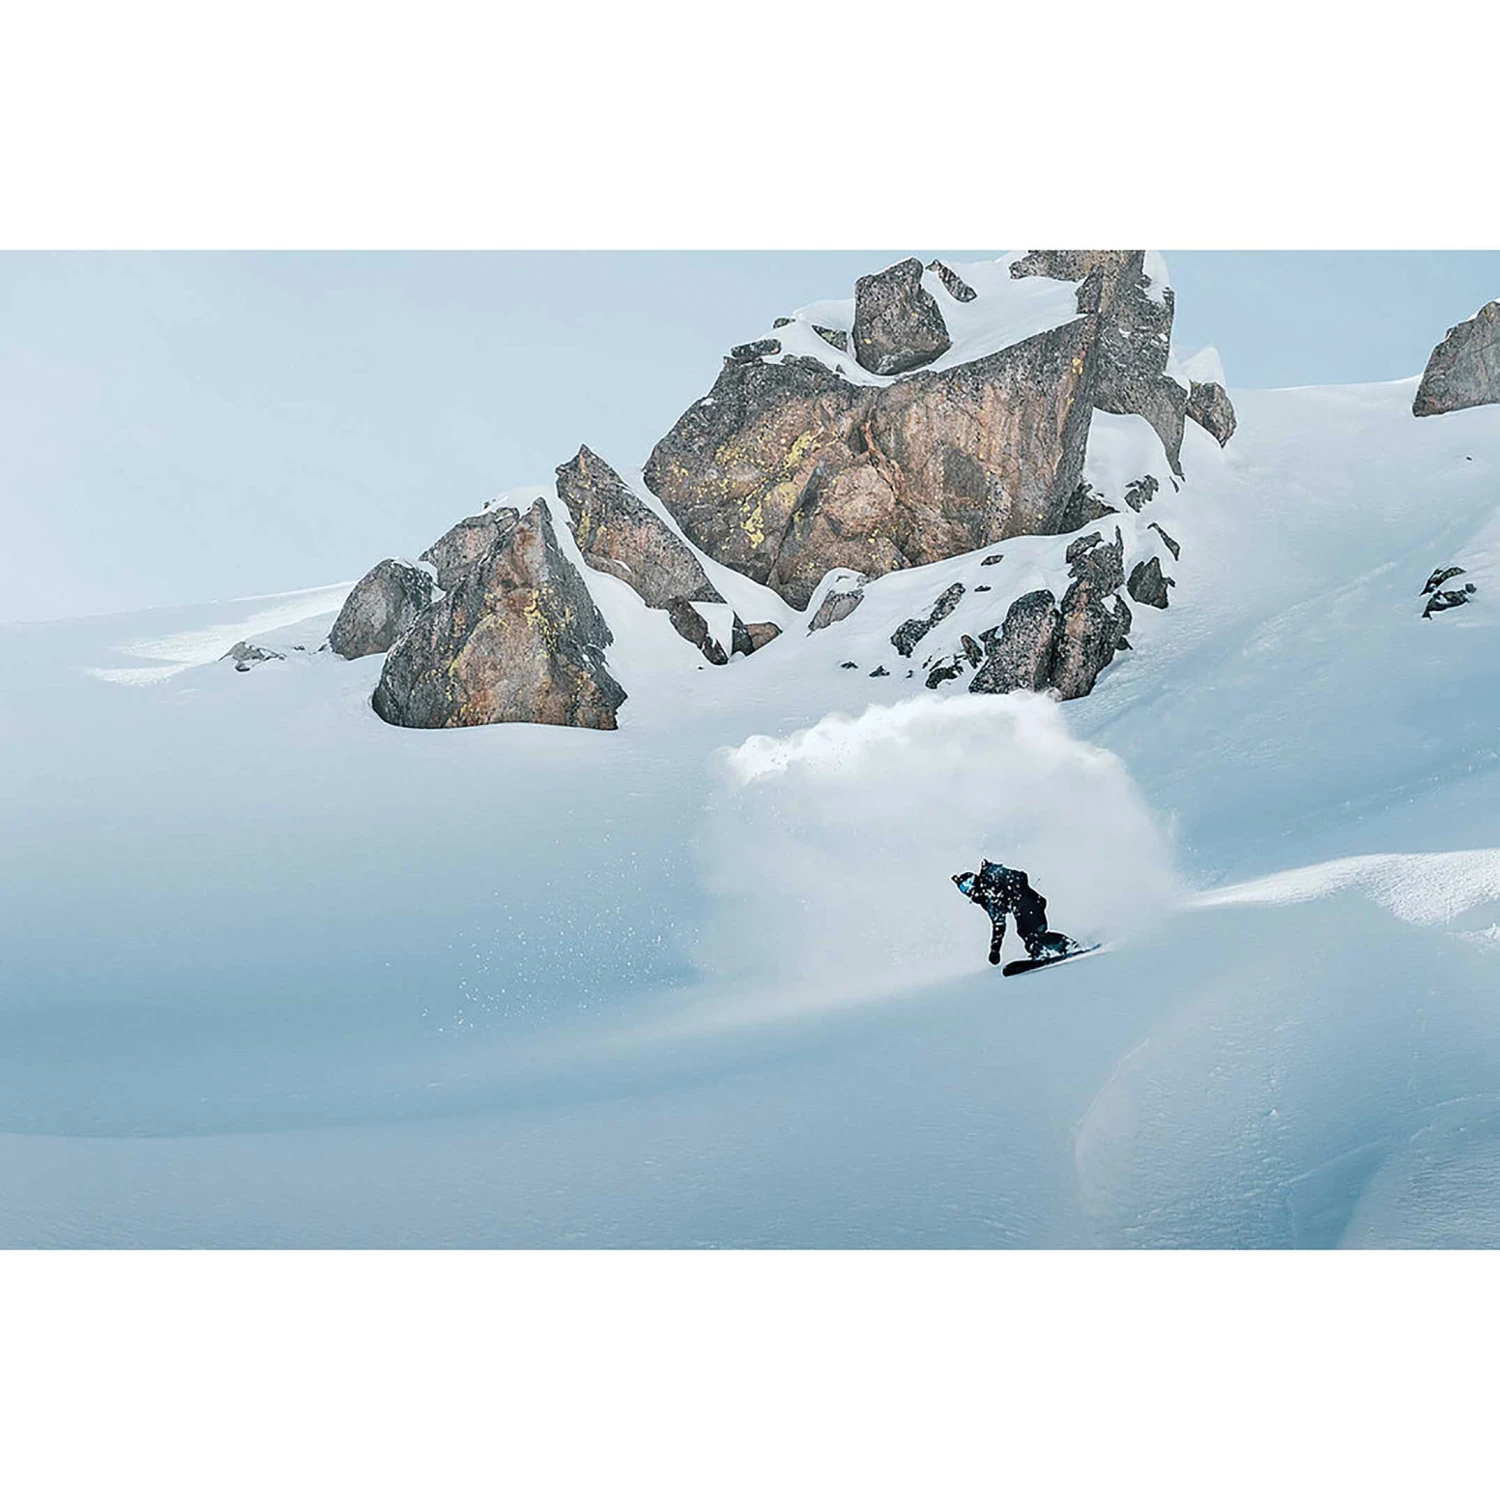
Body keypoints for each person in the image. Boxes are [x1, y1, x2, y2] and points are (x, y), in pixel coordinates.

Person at [951, 861, 1077, 967]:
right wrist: (995, 950)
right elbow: (999, 925)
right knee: (1028, 934)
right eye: (963, 889)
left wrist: (1011, 890)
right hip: (1022, 907)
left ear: (974, 880)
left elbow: (1019, 876)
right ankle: (1052, 948)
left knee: (1028, 931)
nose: (967, 890)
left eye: (967, 885)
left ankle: (1062, 946)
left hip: (1028, 902)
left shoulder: (989, 876)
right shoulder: (989, 902)